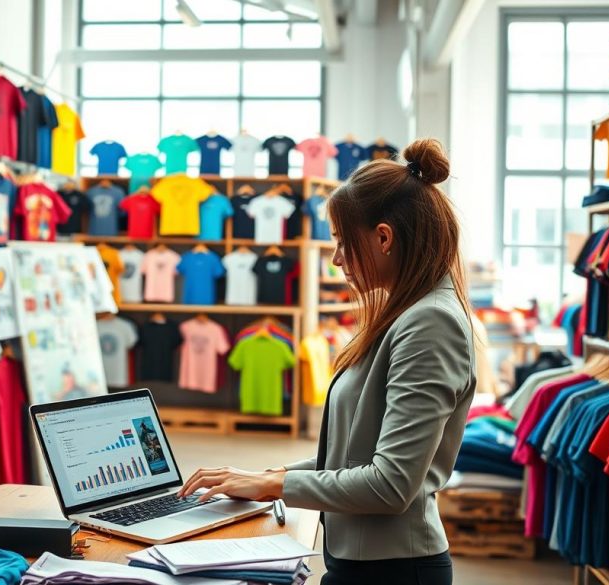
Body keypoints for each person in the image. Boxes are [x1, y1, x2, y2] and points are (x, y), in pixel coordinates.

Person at [179, 139, 476, 585]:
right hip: (363, 561)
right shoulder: (406, 311)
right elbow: (351, 454)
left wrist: (271, 485)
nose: (336, 259)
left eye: (341, 243)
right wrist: (266, 474)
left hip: (393, 571)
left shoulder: (430, 321)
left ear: (383, 237)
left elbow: (390, 484)